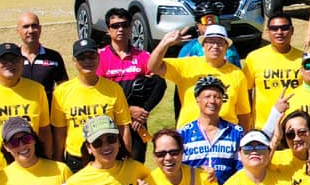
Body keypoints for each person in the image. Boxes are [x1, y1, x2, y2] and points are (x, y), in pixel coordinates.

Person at [0, 43, 55, 165]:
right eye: (4, 60)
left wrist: (47, 160)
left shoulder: (37, 90)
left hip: (30, 167)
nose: (10, 63)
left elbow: (44, 130)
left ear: (22, 62)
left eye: (14, 59)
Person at [157, 22, 253, 127]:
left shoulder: (237, 74)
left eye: (220, 43)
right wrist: (164, 44)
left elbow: (243, 113)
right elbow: (155, 67)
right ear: (203, 46)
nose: (215, 46)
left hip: (226, 133)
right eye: (210, 42)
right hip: (190, 133)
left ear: (227, 47)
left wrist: (243, 135)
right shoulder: (187, 65)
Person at [54, 38, 130, 168]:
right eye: (82, 58)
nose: (87, 61)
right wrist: (59, 160)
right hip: (76, 159)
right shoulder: (62, 92)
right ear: (74, 61)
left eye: (91, 56)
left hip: (108, 156)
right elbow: (59, 132)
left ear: (98, 58)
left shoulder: (114, 89)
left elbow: (123, 126)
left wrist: (127, 158)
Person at [97, 9, 162, 161]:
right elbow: (98, 92)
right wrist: (127, 110)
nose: (120, 29)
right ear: (108, 30)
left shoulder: (144, 56)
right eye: (115, 26)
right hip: (109, 122)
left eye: (124, 25)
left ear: (131, 27)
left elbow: (159, 85)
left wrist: (144, 111)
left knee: (136, 164)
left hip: (137, 123)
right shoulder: (99, 57)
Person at [178, 75, 245, 183]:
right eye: (207, 96)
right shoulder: (184, 134)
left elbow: (242, 170)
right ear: (197, 99)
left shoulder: (236, 132)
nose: (212, 101)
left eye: (217, 97)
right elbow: (177, 169)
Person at [15, 12, 68, 100]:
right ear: (18, 31)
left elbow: (64, 88)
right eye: (26, 27)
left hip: (47, 108)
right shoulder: (12, 58)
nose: (31, 30)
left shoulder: (54, 57)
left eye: (34, 26)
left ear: (40, 29)